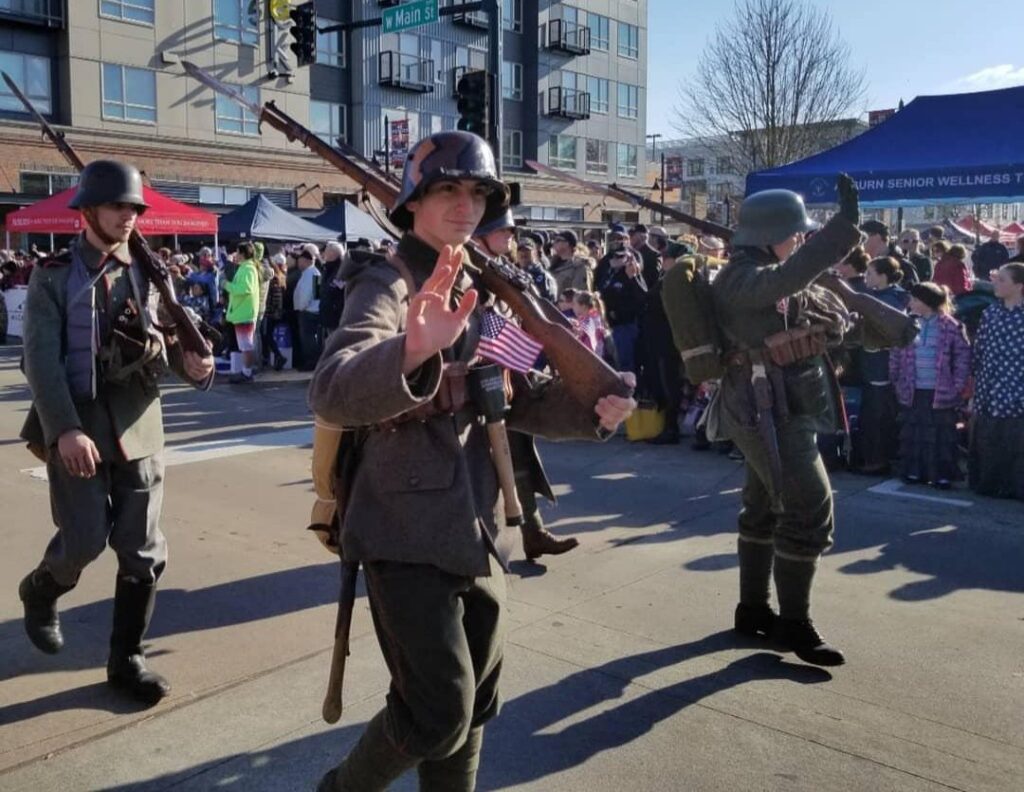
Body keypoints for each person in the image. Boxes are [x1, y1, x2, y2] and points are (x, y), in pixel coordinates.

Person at [310, 130, 634, 792]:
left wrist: (591, 412)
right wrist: (409, 349)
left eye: (478, 191)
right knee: (436, 713)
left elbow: (517, 395)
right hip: (401, 528)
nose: (466, 204)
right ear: (413, 200)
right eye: (448, 188)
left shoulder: (485, 288)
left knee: (478, 705)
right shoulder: (387, 280)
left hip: (478, 524)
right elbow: (334, 387)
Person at [17, 160, 214, 705]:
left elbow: (168, 339)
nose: (129, 217)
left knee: (143, 550)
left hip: (139, 425)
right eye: (118, 207)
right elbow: (40, 361)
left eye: (134, 208)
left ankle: (127, 658)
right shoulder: (53, 275)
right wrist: (64, 430)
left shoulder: (150, 271)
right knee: (82, 540)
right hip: (77, 424)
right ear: (87, 211)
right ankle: (41, 589)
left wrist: (193, 364)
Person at [712, 177, 862, 667]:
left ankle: (753, 609)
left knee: (762, 509)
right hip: (761, 408)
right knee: (808, 508)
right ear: (770, 234)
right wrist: (842, 230)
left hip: (782, 404)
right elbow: (784, 281)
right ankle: (794, 625)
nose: (799, 239)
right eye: (795, 233)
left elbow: (795, 297)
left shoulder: (765, 272)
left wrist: (829, 324)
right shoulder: (740, 278)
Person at [473, 209, 583, 560]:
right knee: (477, 470)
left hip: (506, 377)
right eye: (500, 229)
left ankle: (533, 533)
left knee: (519, 458)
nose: (510, 235)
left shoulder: (506, 272)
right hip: (474, 385)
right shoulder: (470, 273)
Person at [889, 283, 971, 489]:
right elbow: (897, 352)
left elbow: (962, 357)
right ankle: (914, 471)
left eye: (915, 299)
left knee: (941, 435)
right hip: (913, 389)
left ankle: (942, 474)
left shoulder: (951, 326)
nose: (911, 303)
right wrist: (896, 378)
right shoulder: (907, 324)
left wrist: (957, 385)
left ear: (927, 303)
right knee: (914, 433)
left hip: (940, 392)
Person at [968, 263, 1024, 500]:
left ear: (1019, 286)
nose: (996, 284)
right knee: (988, 439)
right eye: (996, 279)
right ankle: (988, 483)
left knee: (1015, 441)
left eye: (1002, 280)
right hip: (988, 389)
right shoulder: (991, 313)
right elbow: (979, 349)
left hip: (1017, 389)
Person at [852, 257, 909, 474]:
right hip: (870, 364)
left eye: (870, 274)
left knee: (878, 414)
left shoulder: (894, 299)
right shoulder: (879, 296)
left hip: (881, 365)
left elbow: (885, 331)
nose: (866, 278)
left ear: (883, 276)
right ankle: (871, 457)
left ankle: (877, 459)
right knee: (871, 412)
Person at [222, 242, 261, 383]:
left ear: (243, 254)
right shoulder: (245, 268)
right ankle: (243, 371)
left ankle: (247, 373)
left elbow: (244, 289)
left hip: (244, 313)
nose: (236, 255)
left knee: (246, 346)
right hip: (241, 312)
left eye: (238, 252)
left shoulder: (248, 269)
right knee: (244, 345)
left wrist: (226, 285)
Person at [293, 243, 323, 370]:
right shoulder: (313, 273)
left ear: (306, 261)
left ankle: (311, 362)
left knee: (308, 339)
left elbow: (307, 294)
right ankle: (311, 361)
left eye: (300, 261)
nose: (299, 264)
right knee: (310, 338)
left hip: (308, 311)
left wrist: (302, 306)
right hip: (312, 310)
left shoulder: (310, 274)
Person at [548, 229, 592, 294]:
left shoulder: (579, 266)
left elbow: (579, 293)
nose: (554, 243)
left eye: (558, 240)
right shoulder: (554, 264)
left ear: (567, 244)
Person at [515, 238, 557, 303]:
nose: (523, 253)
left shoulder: (544, 276)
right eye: (520, 250)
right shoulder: (514, 273)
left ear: (534, 253)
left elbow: (549, 302)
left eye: (527, 251)